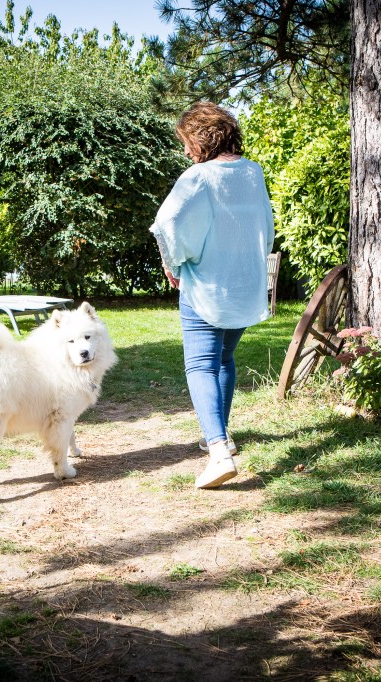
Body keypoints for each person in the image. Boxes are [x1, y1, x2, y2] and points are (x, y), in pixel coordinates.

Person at [149, 101, 275, 489]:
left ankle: (218, 452)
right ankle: (219, 436)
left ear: (201, 138)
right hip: (244, 284)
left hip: (205, 285)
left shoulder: (198, 176)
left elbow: (167, 222)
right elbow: (265, 225)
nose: (186, 151)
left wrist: (172, 261)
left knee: (201, 365)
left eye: (187, 141)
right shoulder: (253, 172)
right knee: (224, 358)